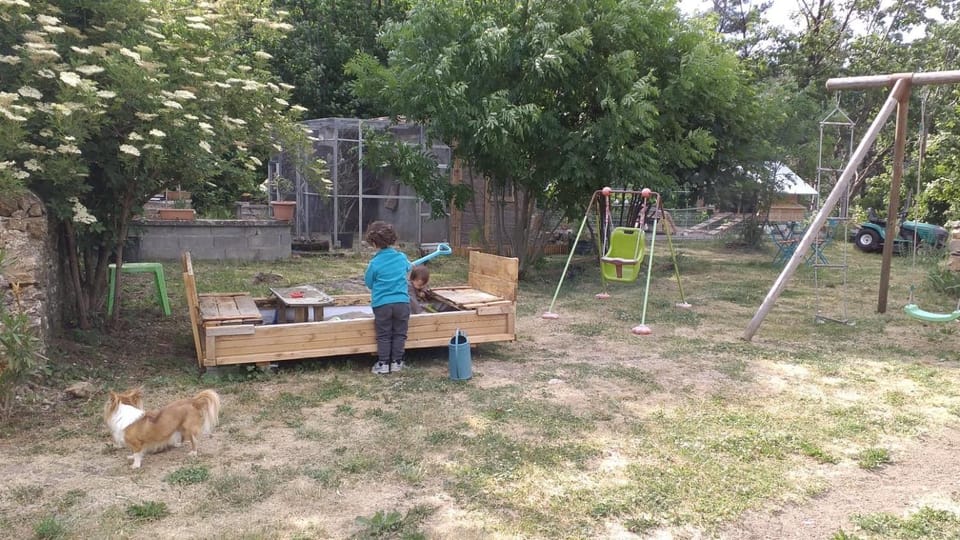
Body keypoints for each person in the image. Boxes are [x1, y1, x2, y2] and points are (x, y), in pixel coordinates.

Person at [363, 221, 411, 374]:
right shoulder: (402, 258)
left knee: (384, 334)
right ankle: (397, 362)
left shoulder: (374, 263)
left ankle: (383, 364)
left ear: (374, 243)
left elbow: (369, 283)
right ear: (393, 240)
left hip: (382, 304)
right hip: (402, 303)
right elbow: (409, 268)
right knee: (399, 333)